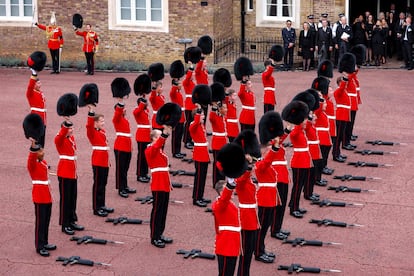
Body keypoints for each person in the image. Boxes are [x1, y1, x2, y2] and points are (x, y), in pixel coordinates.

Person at [145, 126, 173, 248]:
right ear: (154, 138)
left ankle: (160, 233)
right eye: (159, 136)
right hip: (158, 183)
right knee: (157, 211)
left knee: (163, 210)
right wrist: (165, 134)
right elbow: (157, 146)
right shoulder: (150, 149)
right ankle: (154, 236)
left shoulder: (159, 150)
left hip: (164, 182)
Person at [55, 117, 84, 235]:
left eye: (72, 128)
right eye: (69, 128)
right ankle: (64, 224)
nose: (71, 130)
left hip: (72, 172)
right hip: (64, 172)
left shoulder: (71, 138)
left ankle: (72, 220)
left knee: (72, 198)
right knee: (65, 199)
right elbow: (61, 135)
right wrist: (66, 124)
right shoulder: (59, 138)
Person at [27, 139, 56, 257]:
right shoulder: (32, 165)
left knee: (46, 220)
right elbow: (31, 159)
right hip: (39, 196)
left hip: (47, 195)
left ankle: (45, 242)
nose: (42, 152)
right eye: (39, 151)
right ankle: (39, 246)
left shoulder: (42, 162)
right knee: (40, 222)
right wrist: (33, 146)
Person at [254, 137, 280, 264]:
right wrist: (274, 149)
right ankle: (258, 252)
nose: (270, 152)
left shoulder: (263, 162)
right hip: (265, 198)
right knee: (262, 227)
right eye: (268, 150)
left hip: (270, 197)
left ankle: (261, 249)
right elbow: (268, 160)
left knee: (266, 225)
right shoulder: (260, 164)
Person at [86, 105, 113, 217]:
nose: (103, 123)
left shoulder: (102, 132)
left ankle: (102, 205)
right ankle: (96, 208)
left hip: (104, 161)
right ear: (95, 123)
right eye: (101, 121)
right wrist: (91, 112)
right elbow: (88, 125)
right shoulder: (92, 132)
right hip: (97, 161)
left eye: (103, 120)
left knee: (103, 184)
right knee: (98, 185)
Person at [235, 156, 259, 275]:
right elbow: (242, 179)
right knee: (245, 252)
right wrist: (248, 167)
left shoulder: (248, 180)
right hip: (245, 218)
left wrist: (252, 162)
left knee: (249, 251)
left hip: (251, 216)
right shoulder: (240, 180)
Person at [212, 178, 241, 276]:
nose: (232, 191)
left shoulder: (230, 204)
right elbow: (224, 199)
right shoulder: (219, 204)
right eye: (228, 189)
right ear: (221, 192)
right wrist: (230, 186)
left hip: (232, 244)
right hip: (225, 244)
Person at [113, 98, 136, 198]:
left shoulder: (125, 120)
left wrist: (130, 146)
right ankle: (120, 188)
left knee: (125, 168)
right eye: (123, 109)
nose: (125, 110)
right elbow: (118, 113)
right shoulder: (116, 119)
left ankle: (125, 186)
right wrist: (120, 103)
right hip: (120, 147)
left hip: (126, 146)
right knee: (120, 169)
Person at [189, 106, 210, 207]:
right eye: (202, 115)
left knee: (203, 177)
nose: (203, 116)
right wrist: (197, 113)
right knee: (199, 178)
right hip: (199, 154)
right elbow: (195, 124)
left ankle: (200, 196)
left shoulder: (201, 125)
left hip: (204, 153)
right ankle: (196, 198)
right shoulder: (193, 125)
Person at [332, 74, 350, 162]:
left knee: (340, 137)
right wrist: (345, 78)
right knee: (337, 138)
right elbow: (342, 87)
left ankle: (338, 153)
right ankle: (335, 154)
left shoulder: (344, 91)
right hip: (340, 116)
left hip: (344, 116)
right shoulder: (339, 91)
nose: (346, 84)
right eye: (343, 83)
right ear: (340, 83)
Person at [26, 69, 46, 147]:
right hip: (36, 121)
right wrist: (34, 75)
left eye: (40, 82)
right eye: (38, 83)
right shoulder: (31, 93)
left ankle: (40, 159)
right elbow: (30, 86)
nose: (40, 84)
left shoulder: (40, 93)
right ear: (34, 84)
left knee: (41, 144)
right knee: (36, 143)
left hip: (43, 120)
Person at [210, 101, 228, 189]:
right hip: (217, 144)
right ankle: (215, 182)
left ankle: (222, 180)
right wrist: (214, 107)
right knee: (217, 164)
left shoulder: (223, 118)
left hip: (223, 143)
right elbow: (211, 117)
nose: (226, 109)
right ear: (220, 109)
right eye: (224, 108)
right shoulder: (215, 117)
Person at [133, 97, 151, 183]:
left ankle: (145, 173)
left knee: (146, 156)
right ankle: (139, 175)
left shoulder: (145, 111)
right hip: (141, 136)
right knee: (141, 156)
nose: (146, 104)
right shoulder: (137, 111)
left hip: (147, 135)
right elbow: (138, 111)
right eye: (144, 103)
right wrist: (142, 103)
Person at [169, 78, 186, 159]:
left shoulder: (179, 93)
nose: (181, 85)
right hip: (176, 117)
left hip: (181, 116)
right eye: (179, 84)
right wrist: (175, 84)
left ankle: (178, 151)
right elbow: (172, 91)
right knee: (175, 136)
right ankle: (175, 152)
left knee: (179, 135)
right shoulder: (174, 93)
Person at [182, 63, 196, 149]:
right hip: (188, 105)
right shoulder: (186, 82)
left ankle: (190, 139)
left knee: (191, 124)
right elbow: (188, 77)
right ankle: (186, 141)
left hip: (193, 104)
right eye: (192, 73)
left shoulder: (192, 82)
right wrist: (191, 67)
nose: (193, 74)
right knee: (188, 124)